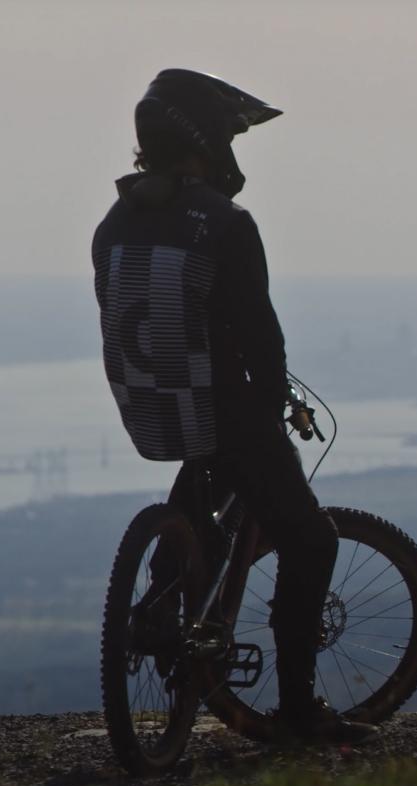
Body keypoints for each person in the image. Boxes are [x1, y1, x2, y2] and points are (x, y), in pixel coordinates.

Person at [92, 69, 374, 743]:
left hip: (152, 402)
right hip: (225, 406)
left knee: (204, 488)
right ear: (210, 140)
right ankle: (300, 710)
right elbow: (257, 331)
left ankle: (162, 605)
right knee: (310, 537)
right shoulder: (224, 222)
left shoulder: (118, 219)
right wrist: (275, 397)